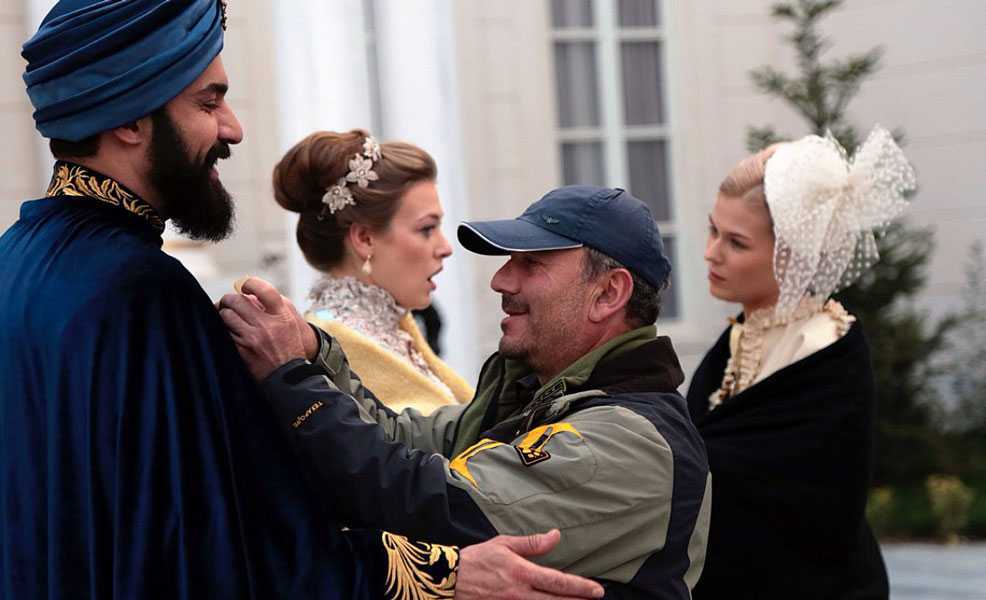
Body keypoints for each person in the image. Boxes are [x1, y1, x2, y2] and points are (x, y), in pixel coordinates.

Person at [0, 2, 605, 599]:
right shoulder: (143, 292)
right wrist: (447, 574)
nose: (232, 128)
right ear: (131, 119)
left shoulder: (16, 259)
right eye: (208, 103)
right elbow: (230, 539)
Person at [221, 186, 713, 599]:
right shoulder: (538, 393)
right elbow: (398, 439)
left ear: (608, 294)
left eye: (531, 263)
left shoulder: (630, 440)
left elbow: (428, 508)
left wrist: (290, 376)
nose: (501, 279)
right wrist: (313, 354)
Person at [686, 127, 913, 599]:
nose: (711, 253)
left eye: (736, 242)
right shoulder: (740, 335)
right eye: (713, 230)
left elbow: (800, 499)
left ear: (792, 253)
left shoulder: (824, 347)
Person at [272, 130, 473, 413]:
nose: (445, 248)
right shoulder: (333, 341)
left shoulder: (394, 327)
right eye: (427, 229)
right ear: (365, 239)